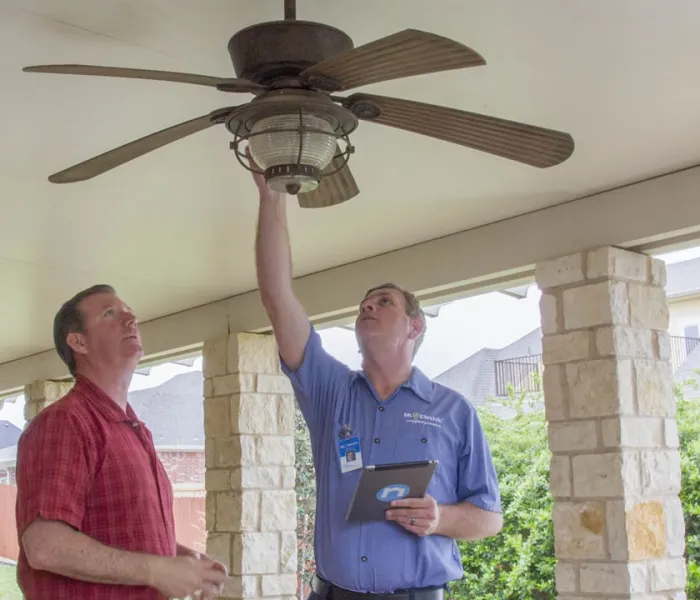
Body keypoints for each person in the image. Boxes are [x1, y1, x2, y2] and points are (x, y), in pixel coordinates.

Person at [251, 169, 504, 597]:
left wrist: (440, 518)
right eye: (365, 303)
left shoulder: (454, 411)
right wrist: (271, 195)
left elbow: (489, 517)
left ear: (414, 327)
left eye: (384, 302)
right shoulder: (330, 392)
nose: (368, 306)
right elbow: (277, 296)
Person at [14, 284, 228, 600]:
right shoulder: (65, 422)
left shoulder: (133, 430)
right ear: (78, 342)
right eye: (110, 314)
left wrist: (178, 558)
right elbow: (46, 546)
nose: (131, 319)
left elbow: (122, 535)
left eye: (129, 312)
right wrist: (156, 570)